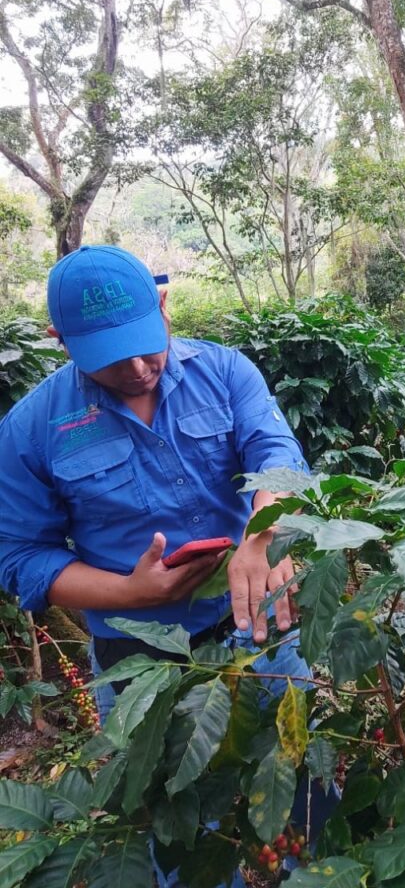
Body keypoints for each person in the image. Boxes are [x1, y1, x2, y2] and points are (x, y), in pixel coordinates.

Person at [0, 245, 321, 885]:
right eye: (110, 357)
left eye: (147, 344)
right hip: (142, 662)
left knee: (306, 793)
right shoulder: (32, 429)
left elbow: (279, 455)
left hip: (262, 634)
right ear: (60, 341)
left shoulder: (225, 372)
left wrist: (261, 533)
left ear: (165, 304)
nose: (139, 367)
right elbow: (20, 558)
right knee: (183, 830)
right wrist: (130, 593)